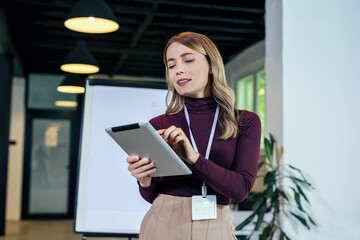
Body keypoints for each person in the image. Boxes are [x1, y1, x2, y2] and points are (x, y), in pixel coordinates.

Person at [126, 32, 261, 240]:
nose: (178, 69)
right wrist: (144, 180)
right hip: (161, 224)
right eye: (171, 66)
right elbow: (152, 196)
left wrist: (193, 158)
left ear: (211, 66)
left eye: (188, 60)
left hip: (215, 227)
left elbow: (241, 190)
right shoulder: (159, 125)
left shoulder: (245, 122)